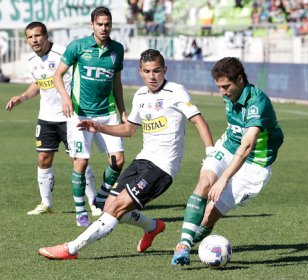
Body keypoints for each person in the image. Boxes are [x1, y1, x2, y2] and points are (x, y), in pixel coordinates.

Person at [38, 48, 214, 260]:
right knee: (109, 205)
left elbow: (198, 120)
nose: (152, 76)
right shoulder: (140, 95)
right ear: (140, 72)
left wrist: (210, 152)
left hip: (162, 168)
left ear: (164, 70)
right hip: (142, 160)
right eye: (147, 71)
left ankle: (71, 248)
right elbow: (129, 129)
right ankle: (153, 226)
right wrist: (99, 127)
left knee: (117, 207)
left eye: (157, 71)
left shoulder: (176, 92)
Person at [171, 57, 284, 266]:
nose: (222, 92)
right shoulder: (229, 94)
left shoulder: (257, 103)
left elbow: (248, 144)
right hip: (229, 146)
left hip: (255, 163)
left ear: (240, 80)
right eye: (219, 87)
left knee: (209, 214)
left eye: (225, 86)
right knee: (204, 182)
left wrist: (224, 178)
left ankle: (196, 241)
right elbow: (238, 139)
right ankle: (183, 246)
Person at [5, 21, 101, 217]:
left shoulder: (63, 54)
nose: (34, 40)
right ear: (26, 40)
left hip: (70, 117)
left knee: (79, 160)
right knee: (43, 158)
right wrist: (21, 98)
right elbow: (38, 84)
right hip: (46, 117)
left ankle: (94, 203)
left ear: (46, 36)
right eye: (30, 37)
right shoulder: (32, 60)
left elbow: (80, 75)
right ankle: (46, 203)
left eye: (38, 36)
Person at [53, 7, 126, 227]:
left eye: (107, 24)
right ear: (92, 24)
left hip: (108, 113)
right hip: (80, 114)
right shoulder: (78, 47)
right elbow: (58, 75)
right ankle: (80, 210)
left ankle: (101, 197)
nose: (104, 28)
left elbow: (116, 83)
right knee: (81, 162)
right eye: (100, 24)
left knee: (118, 160)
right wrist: (65, 98)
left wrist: (122, 111)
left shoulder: (117, 50)